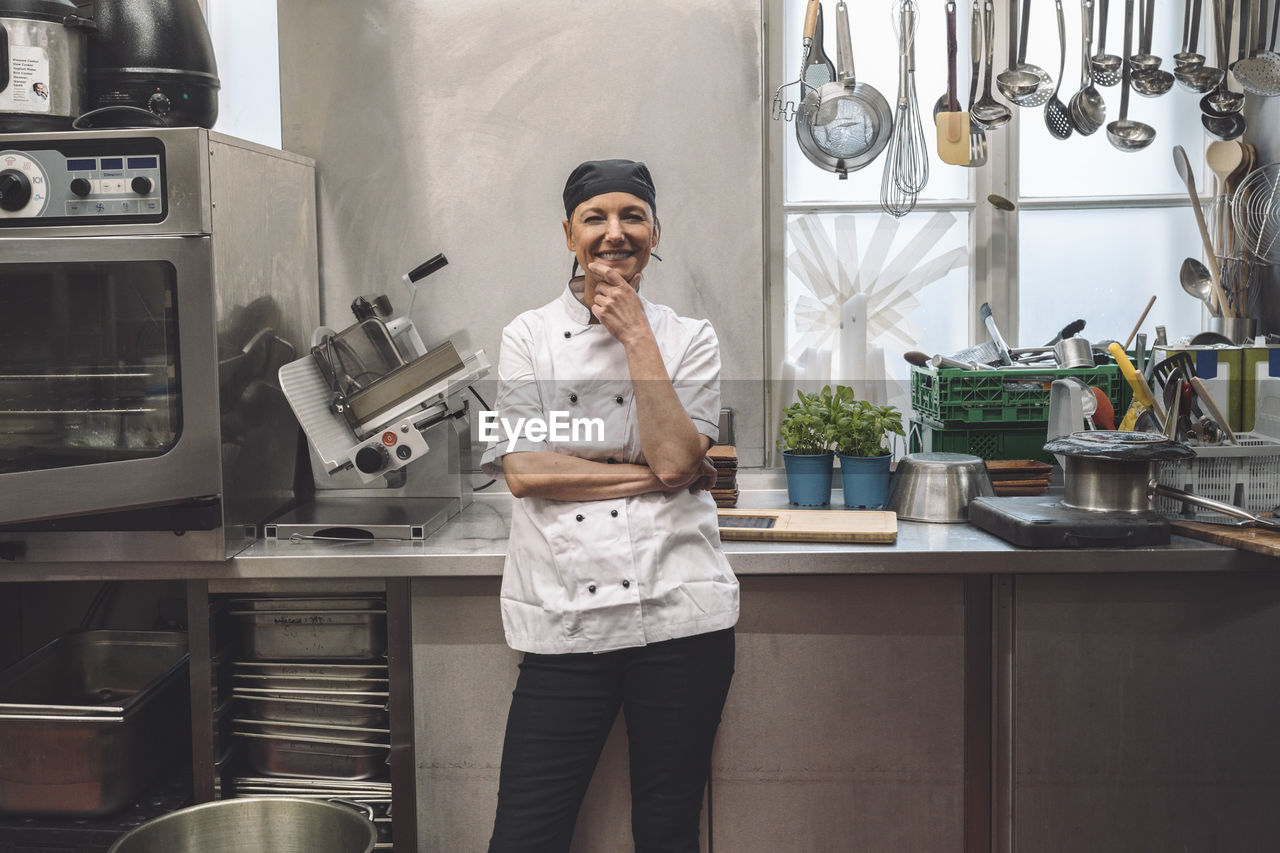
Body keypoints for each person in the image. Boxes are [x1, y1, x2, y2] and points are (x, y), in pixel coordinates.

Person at [481, 159, 739, 853]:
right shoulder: (527, 336)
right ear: (569, 233)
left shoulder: (690, 337)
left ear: (655, 231)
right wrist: (652, 473)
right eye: (596, 217)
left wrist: (636, 336)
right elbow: (525, 471)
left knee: (666, 829)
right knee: (525, 835)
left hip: (681, 616)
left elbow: (681, 457)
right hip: (566, 621)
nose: (614, 232)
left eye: (633, 216)